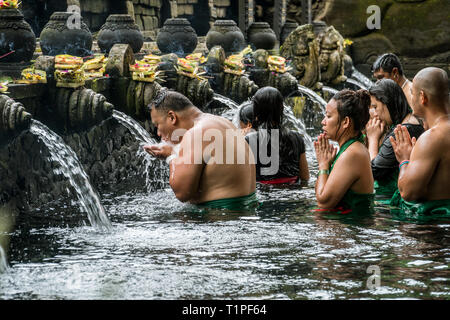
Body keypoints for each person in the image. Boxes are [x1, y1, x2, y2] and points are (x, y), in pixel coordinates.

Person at [143, 90, 257, 210]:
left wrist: (171, 155)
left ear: (172, 117)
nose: (159, 133)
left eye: (158, 125)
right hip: (246, 210)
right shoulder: (221, 122)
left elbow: (182, 193)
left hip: (219, 218)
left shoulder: (195, 133)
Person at [389, 67, 450, 215]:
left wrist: (404, 160)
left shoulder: (432, 138)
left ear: (422, 97)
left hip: (434, 230)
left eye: (412, 93)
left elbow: (408, 193)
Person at [314, 89, 374, 211]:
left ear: (345, 122)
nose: (323, 122)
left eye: (328, 116)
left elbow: (324, 202)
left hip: (352, 226)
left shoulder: (352, 154)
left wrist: (323, 165)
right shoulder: (352, 148)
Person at [366, 79, 424, 200]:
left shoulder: (399, 132)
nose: (375, 114)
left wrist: (373, 139)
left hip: (389, 203)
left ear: (387, 102)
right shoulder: (414, 121)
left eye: (376, 107)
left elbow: (373, 171)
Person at [243, 87, 310, 185]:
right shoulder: (296, 138)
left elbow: (244, 179)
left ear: (256, 111)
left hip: (263, 193)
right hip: (292, 192)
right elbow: (305, 177)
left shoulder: (249, 139)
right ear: (281, 109)